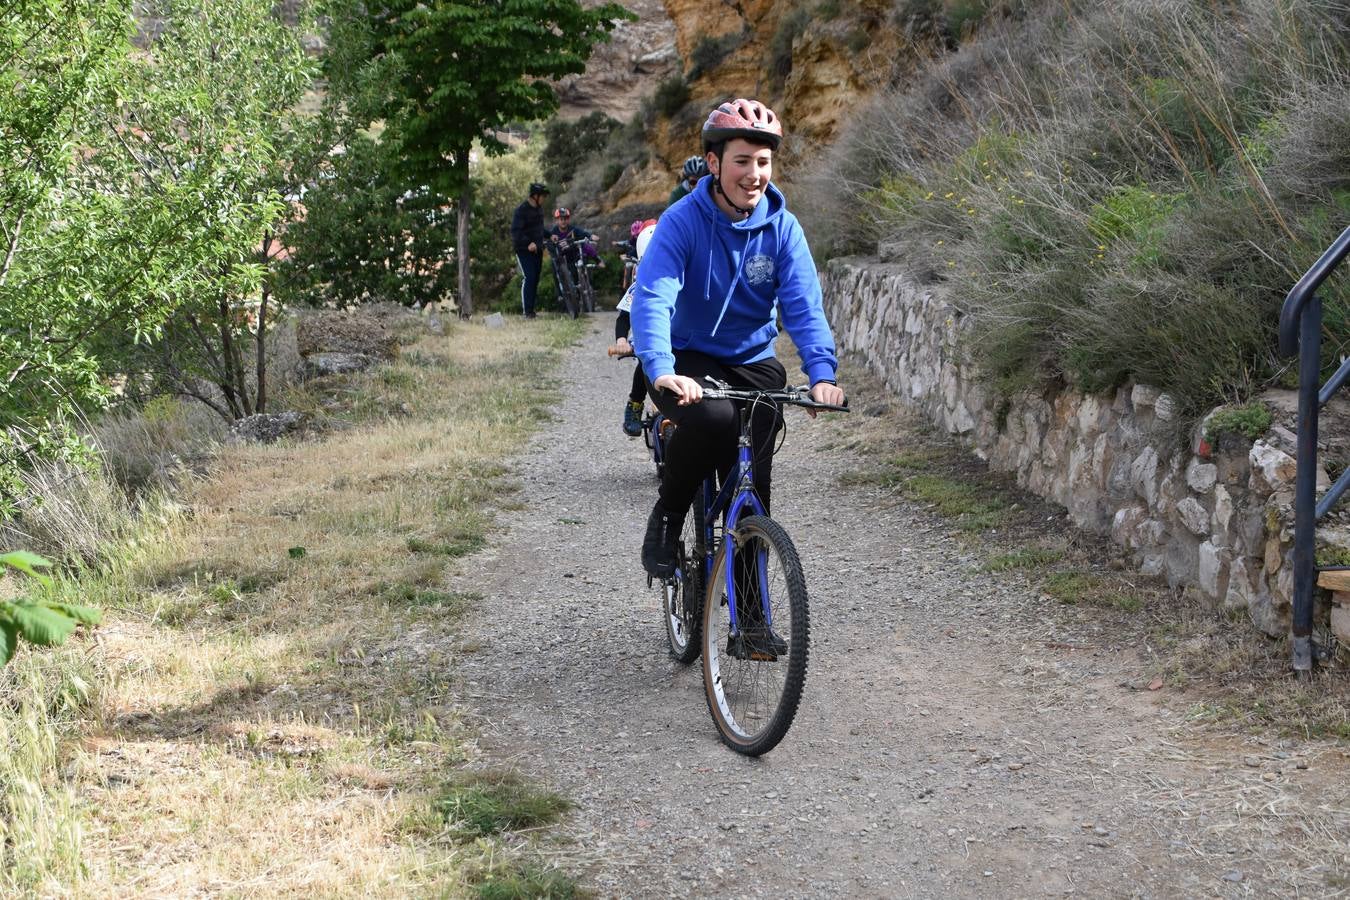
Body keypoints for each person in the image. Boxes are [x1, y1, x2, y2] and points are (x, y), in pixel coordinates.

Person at [630, 98, 846, 578]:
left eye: (763, 162)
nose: (754, 174)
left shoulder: (783, 229)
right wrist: (661, 369)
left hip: (753, 359)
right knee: (713, 416)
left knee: (754, 482)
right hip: (687, 357)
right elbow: (654, 297)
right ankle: (668, 515)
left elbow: (804, 308)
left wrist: (821, 374)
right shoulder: (682, 222)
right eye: (742, 161)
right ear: (714, 163)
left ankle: (750, 618)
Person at [612, 219, 659, 436]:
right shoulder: (639, 286)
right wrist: (621, 340)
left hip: (680, 338)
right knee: (645, 361)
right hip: (650, 338)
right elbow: (624, 318)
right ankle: (635, 403)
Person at [547, 207, 601, 308]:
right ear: (557, 220)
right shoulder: (553, 232)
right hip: (560, 258)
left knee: (576, 272)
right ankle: (560, 294)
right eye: (561, 219)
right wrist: (553, 248)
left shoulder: (573, 229)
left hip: (572, 256)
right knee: (555, 268)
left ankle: (579, 297)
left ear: (568, 219)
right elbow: (549, 244)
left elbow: (582, 233)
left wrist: (590, 236)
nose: (563, 221)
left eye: (565, 218)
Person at [510, 182, 550, 318]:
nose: (544, 199)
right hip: (523, 250)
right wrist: (528, 243)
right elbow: (516, 232)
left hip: (537, 249)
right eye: (543, 196)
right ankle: (527, 312)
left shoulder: (538, 209)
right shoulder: (521, 210)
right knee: (529, 277)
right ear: (535, 196)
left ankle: (532, 311)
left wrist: (550, 235)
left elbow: (539, 230)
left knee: (535, 279)